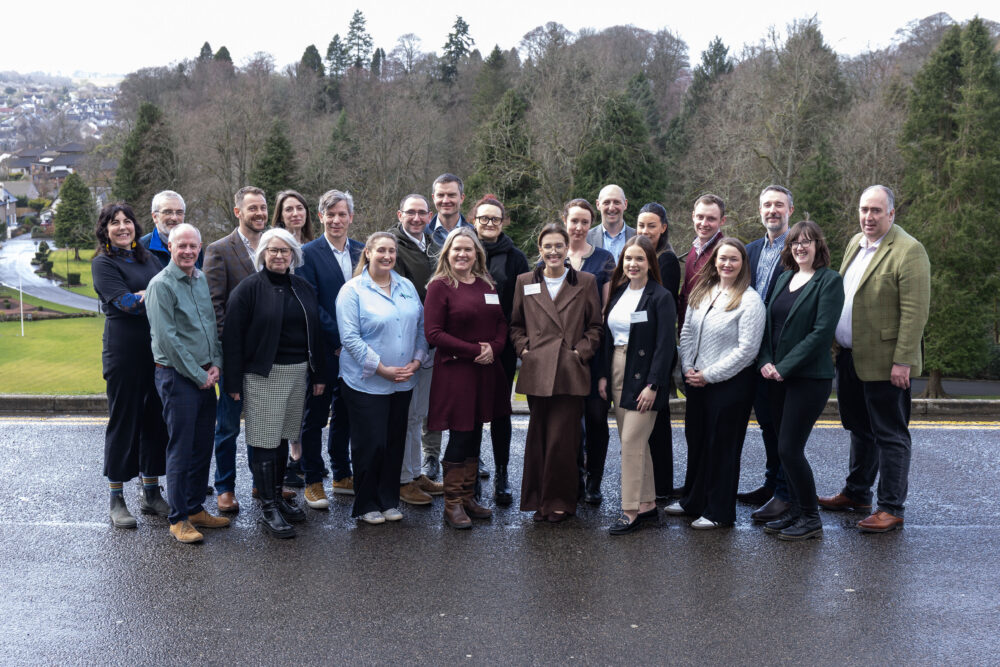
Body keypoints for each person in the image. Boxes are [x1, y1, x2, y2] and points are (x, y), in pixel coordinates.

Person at [819, 185, 930, 533]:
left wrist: (904, 362)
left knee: (890, 434)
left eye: (876, 211)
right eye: (864, 210)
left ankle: (891, 507)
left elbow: (915, 313)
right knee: (859, 429)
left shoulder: (909, 251)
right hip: (850, 357)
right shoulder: (855, 243)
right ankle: (857, 493)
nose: (868, 217)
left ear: (892, 214)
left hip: (887, 363)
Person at [222, 228, 326, 538]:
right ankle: (268, 507)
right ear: (262, 254)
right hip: (263, 375)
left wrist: (319, 374)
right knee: (266, 440)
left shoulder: (302, 287)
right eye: (272, 250)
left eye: (285, 250)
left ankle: (279, 497)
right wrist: (233, 382)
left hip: (298, 374)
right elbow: (232, 339)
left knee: (283, 437)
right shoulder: (248, 289)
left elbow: (316, 332)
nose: (279, 255)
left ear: (294, 254)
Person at [667, 237, 765, 529]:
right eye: (722, 258)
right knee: (696, 442)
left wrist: (708, 375)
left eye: (734, 259)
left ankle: (719, 511)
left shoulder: (750, 300)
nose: (727, 263)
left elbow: (747, 351)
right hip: (697, 381)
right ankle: (693, 501)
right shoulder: (703, 291)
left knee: (721, 447)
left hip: (730, 385)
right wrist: (688, 367)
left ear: (742, 264)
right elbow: (685, 331)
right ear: (714, 262)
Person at [756, 221, 844, 540]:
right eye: (795, 242)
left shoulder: (829, 282)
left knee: (791, 448)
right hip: (775, 377)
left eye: (808, 241)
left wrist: (784, 366)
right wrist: (766, 361)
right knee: (783, 448)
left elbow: (821, 334)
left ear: (819, 247)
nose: (800, 247)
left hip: (808, 378)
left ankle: (810, 517)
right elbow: (767, 325)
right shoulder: (784, 278)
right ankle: (794, 511)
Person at [510, 224, 603, 522]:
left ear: (567, 250)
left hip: (569, 370)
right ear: (539, 249)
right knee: (538, 439)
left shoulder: (585, 281)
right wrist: (524, 349)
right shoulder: (525, 280)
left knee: (563, 442)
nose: (553, 251)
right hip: (538, 369)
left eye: (558, 246)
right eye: (547, 246)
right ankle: (539, 501)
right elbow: (515, 325)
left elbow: (595, 327)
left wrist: (580, 354)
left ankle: (561, 501)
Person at [146, 223, 230, 544]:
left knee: (202, 445)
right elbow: (168, 340)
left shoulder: (200, 278)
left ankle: (195, 508)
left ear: (200, 247)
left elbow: (211, 327)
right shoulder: (161, 285)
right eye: (181, 245)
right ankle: (178, 518)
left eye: (193, 246)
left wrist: (217, 364)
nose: (188, 251)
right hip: (177, 378)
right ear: (170, 246)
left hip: (207, 376)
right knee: (181, 449)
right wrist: (200, 375)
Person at [336, 232, 428, 525]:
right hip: (366, 382)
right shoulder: (352, 291)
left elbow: (421, 327)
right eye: (381, 251)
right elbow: (349, 338)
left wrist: (417, 360)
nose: (387, 256)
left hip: (403, 381)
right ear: (368, 254)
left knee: (393, 443)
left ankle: (388, 500)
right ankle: (366, 503)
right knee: (371, 444)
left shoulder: (406, 286)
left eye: (391, 251)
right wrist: (381, 368)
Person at [424, 227, 511, 528]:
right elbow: (434, 334)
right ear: (447, 253)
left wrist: (495, 349)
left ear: (477, 254)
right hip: (456, 371)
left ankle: (468, 497)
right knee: (460, 433)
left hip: (486, 370)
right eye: (456, 249)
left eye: (468, 249)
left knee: (476, 430)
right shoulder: (440, 286)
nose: (462, 254)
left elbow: (501, 322)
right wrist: (475, 350)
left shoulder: (486, 284)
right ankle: (452, 505)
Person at [91, 202, 169, 528]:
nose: (123, 227)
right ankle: (116, 499)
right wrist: (149, 296)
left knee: (155, 420)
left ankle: (151, 494)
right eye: (115, 223)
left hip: (155, 351)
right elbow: (125, 303)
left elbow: (160, 294)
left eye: (127, 222)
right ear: (105, 230)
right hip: (124, 354)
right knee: (124, 421)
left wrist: (144, 294)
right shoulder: (103, 263)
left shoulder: (146, 257)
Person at [598, 236, 676, 535]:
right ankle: (647, 505)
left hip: (645, 376)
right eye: (628, 259)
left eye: (639, 259)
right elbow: (607, 337)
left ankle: (629, 510)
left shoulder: (660, 296)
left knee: (631, 442)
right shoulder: (617, 293)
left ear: (650, 263)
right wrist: (604, 375)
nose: (633, 264)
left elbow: (665, 345)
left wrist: (654, 384)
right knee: (636, 444)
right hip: (618, 368)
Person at [204, 186, 269, 513]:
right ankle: (225, 487)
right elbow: (214, 306)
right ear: (238, 212)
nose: (259, 213)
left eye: (263, 207)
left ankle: (261, 482)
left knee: (263, 422)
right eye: (252, 208)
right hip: (234, 355)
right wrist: (229, 351)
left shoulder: (275, 246)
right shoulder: (219, 250)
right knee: (228, 426)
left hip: (269, 355)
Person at [298, 190, 364, 501]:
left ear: (351, 217)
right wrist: (340, 339)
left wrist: (355, 341)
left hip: (356, 351)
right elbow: (310, 303)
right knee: (315, 416)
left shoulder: (363, 251)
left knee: (346, 414)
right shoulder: (307, 253)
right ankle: (312, 478)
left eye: (342, 214)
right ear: (321, 217)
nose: (336, 220)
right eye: (330, 214)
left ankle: (342, 473)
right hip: (323, 349)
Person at [738, 185, 795, 515]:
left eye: (778, 205)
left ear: (790, 209)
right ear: (759, 210)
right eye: (766, 205)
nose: (772, 210)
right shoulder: (751, 250)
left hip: (781, 353)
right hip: (752, 352)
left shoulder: (798, 248)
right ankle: (772, 483)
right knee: (767, 425)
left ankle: (786, 494)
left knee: (784, 427)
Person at [473, 195, 530, 505]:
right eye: (484, 218)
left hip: (503, 347)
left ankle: (503, 473)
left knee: (499, 412)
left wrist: (508, 343)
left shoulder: (515, 258)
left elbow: (522, 306)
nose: (489, 224)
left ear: (503, 222)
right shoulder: (464, 249)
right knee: (470, 412)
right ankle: (470, 473)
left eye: (495, 219)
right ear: (474, 220)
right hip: (468, 347)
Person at [389, 194, 445, 505]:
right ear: (400, 214)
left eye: (422, 213)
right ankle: (402, 479)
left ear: (430, 215)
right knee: (405, 415)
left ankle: (413, 472)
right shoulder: (394, 246)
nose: (416, 218)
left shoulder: (435, 243)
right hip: (407, 344)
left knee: (417, 415)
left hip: (430, 342)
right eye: (410, 212)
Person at [563, 198, 615, 504]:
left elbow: (605, 312)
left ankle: (594, 479)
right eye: (574, 221)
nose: (579, 227)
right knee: (568, 419)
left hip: (595, 349)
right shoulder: (552, 257)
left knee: (596, 418)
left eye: (585, 222)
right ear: (565, 221)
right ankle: (573, 478)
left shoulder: (605, 259)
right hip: (563, 353)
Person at [634, 201, 681, 501]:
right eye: (640, 225)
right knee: (644, 423)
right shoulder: (640, 255)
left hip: (655, 351)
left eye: (652, 225)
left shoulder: (665, 261)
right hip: (639, 349)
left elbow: (660, 312)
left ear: (663, 227)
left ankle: (661, 487)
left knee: (658, 423)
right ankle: (650, 484)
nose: (645, 231)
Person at [269, 189, 316, 490]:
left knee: (306, 405)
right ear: (281, 214)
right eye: (289, 209)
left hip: (308, 336)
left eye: (300, 208)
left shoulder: (313, 248)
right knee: (284, 407)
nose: (295, 214)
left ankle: (300, 459)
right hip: (281, 340)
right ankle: (288, 462)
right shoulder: (274, 246)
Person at [678, 194, 726, 330]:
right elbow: (685, 293)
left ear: (722, 221)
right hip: (688, 330)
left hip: (708, 333)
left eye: (711, 219)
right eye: (700, 217)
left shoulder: (723, 254)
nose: (704, 223)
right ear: (693, 216)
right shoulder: (694, 248)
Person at [139, 190, 204, 270]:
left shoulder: (194, 247)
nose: (174, 218)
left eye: (179, 212)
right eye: (168, 212)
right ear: (155, 217)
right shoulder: (141, 248)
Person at [586, 184, 636, 262]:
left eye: (616, 202)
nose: (612, 208)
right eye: (606, 202)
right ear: (598, 204)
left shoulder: (637, 237)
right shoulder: (587, 238)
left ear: (625, 204)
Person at [429, 173, 473, 247]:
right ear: (433, 198)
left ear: (462, 198)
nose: (445, 201)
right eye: (440, 195)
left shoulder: (474, 234)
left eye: (451, 195)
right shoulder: (422, 234)